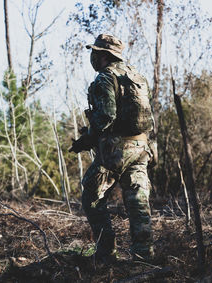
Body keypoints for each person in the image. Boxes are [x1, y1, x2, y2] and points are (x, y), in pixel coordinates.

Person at [69, 34, 155, 263]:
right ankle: (144, 255)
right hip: (141, 146)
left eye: (94, 53)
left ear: (103, 55)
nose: (92, 57)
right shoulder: (137, 76)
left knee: (92, 195)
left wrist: (88, 138)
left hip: (116, 150)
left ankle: (106, 253)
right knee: (137, 198)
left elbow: (106, 117)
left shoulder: (105, 78)